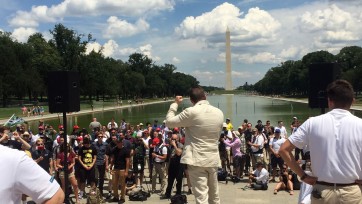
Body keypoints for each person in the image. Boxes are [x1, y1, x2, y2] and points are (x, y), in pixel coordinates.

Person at [279, 79, 362, 204]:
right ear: (353, 102)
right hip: (351, 191)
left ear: (329, 101)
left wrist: (303, 176)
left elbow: (283, 149)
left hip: (322, 191)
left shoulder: (312, 123)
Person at [166, 86, 224, 204]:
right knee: (215, 197)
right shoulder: (219, 112)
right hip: (212, 158)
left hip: (196, 159)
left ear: (192, 100)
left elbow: (169, 122)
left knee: (201, 197)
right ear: (205, 96)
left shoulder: (191, 111)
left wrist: (175, 104)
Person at [0, 139, 64, 204]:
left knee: (46, 192)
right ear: (36, 145)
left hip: (47, 172)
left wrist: (51, 170)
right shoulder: (34, 152)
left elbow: (51, 161)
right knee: (26, 192)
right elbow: (33, 162)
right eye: (38, 144)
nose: (40, 145)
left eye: (41, 144)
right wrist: (39, 159)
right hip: (35, 173)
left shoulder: (47, 151)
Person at [161, 133, 184, 199]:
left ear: (177, 139)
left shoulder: (180, 145)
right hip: (172, 165)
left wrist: (175, 146)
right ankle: (167, 194)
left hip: (179, 165)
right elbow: (170, 157)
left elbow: (179, 153)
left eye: (174, 139)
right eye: (172, 139)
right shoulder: (169, 146)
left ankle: (178, 194)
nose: (173, 141)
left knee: (179, 181)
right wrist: (167, 168)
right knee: (170, 181)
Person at [110, 137, 130, 203]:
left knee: (122, 184)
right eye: (117, 142)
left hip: (122, 169)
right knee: (114, 183)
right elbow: (112, 159)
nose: (118, 144)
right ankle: (116, 196)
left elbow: (127, 161)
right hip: (115, 168)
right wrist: (110, 167)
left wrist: (126, 171)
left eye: (120, 142)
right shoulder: (114, 149)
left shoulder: (126, 150)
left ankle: (122, 198)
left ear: (122, 143)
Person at [93, 132, 109, 197]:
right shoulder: (94, 144)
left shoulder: (105, 144)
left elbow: (107, 154)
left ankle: (101, 190)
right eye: (99, 136)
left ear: (103, 137)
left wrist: (107, 164)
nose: (100, 137)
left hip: (102, 162)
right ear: (97, 137)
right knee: (96, 177)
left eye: (101, 137)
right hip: (96, 162)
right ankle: (95, 190)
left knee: (102, 177)